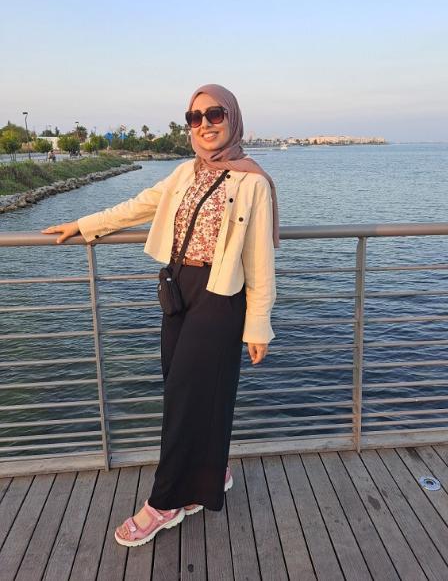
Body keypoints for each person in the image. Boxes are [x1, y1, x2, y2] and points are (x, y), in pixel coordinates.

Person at [41, 83, 279, 547]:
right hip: (177, 289)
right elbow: (138, 207)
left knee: (189, 398)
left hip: (220, 294)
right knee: (183, 390)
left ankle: (165, 502)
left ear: (232, 119)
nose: (204, 124)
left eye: (215, 115)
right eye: (195, 117)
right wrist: (84, 225)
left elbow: (260, 259)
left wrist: (259, 324)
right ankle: (209, 474)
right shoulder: (184, 173)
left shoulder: (252, 182)